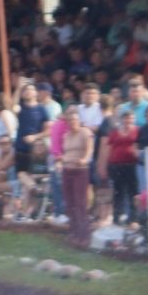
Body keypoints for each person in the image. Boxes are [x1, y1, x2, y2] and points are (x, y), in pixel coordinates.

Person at [57, 104, 94, 246]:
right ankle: (73, 232)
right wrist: (61, 162)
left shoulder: (85, 132)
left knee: (80, 203)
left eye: (75, 120)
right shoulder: (66, 135)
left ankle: (83, 235)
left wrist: (84, 159)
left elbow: (89, 150)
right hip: (67, 169)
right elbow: (65, 153)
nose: (73, 122)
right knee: (70, 202)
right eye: (70, 120)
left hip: (80, 170)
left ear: (79, 120)